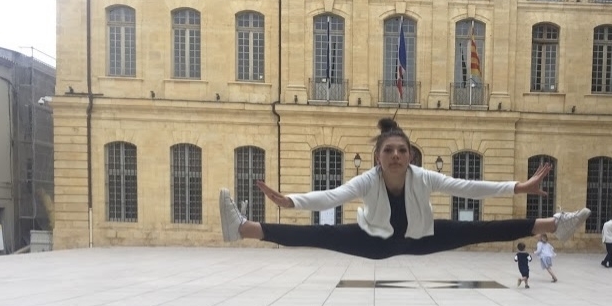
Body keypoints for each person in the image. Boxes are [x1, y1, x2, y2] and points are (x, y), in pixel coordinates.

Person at [218, 118, 591, 260]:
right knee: (320, 234)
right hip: (374, 242)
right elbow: (334, 196)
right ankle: (243, 228)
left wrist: (519, 187)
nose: (396, 155)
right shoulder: (369, 179)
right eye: (389, 150)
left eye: (401, 150)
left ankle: (556, 225)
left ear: (410, 154)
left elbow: (467, 186)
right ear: (378, 157)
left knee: (478, 229)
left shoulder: (422, 176)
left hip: (420, 238)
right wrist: (291, 201)